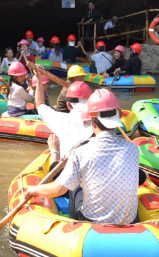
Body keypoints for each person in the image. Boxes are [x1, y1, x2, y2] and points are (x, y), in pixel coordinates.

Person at [26, 88, 139, 224]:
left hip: (93, 223)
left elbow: (58, 189)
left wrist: (33, 189)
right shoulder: (133, 148)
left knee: (75, 189)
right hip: (129, 221)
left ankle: (76, 227)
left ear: (92, 121)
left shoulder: (80, 153)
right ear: (117, 117)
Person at [34, 67, 92, 156]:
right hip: (64, 111)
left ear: (69, 105)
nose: (80, 80)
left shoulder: (62, 120)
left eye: (82, 77)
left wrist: (39, 79)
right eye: (78, 77)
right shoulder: (98, 121)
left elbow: (39, 105)